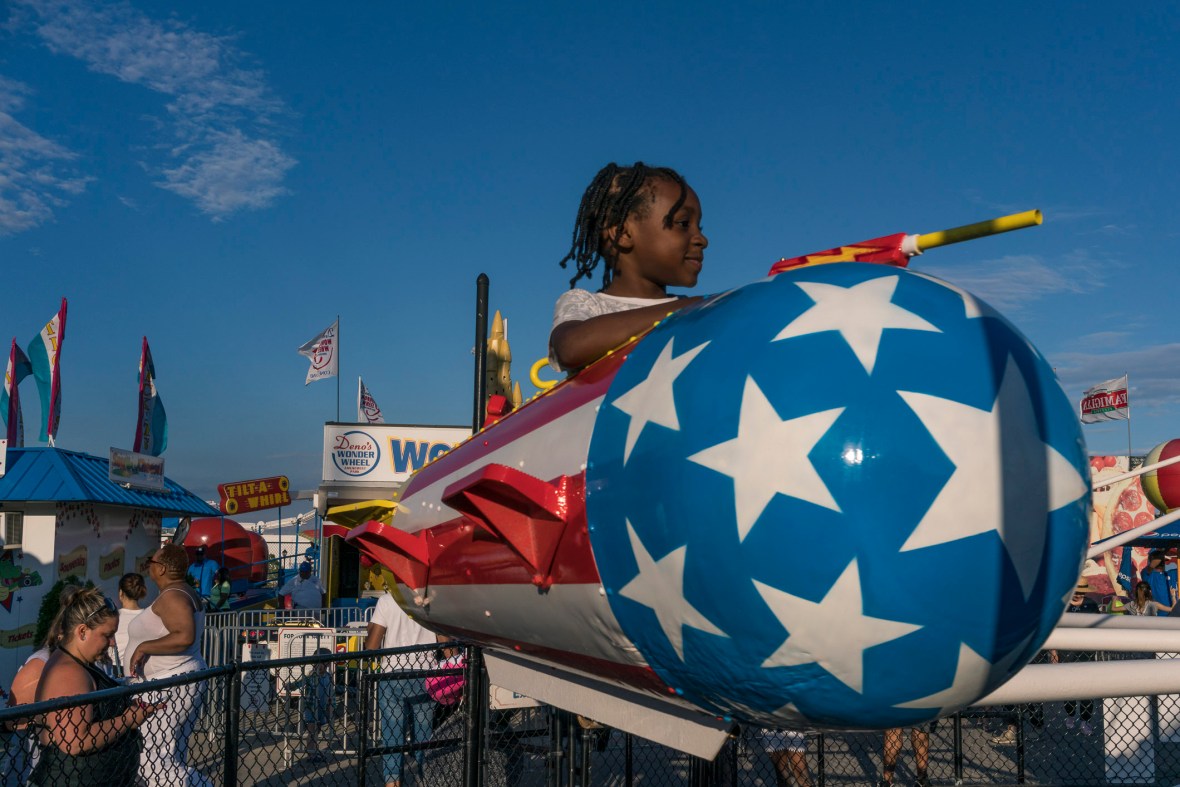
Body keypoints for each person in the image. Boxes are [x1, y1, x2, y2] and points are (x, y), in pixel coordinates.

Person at [549, 162, 707, 373]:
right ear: (623, 234)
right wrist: (686, 308)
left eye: (700, 227)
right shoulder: (588, 305)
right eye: (683, 223)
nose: (702, 239)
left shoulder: (699, 311)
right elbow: (569, 348)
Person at [27, 587, 163, 786]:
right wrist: (128, 718)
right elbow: (74, 741)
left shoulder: (78, 663)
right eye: (107, 635)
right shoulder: (69, 671)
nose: (112, 643)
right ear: (82, 631)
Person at [126, 543, 213, 786]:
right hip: (172, 683)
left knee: (153, 758)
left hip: (169, 684)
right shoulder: (178, 592)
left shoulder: (174, 596)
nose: (148, 567)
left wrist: (144, 647)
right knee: (167, 754)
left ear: (162, 568)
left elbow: (183, 636)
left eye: (151, 562)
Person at [365, 589, 437, 787]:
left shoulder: (387, 601)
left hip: (393, 673)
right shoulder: (430, 599)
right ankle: (426, 779)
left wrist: (370, 630)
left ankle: (392, 783)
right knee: (424, 736)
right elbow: (445, 642)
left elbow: (371, 645)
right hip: (425, 674)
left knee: (392, 735)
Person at [285, 648, 338, 762]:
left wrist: (332, 706)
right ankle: (311, 753)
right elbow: (301, 682)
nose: (321, 666)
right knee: (311, 730)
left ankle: (313, 750)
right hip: (311, 708)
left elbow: (331, 693)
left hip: (322, 708)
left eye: (324, 663)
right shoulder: (312, 676)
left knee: (316, 731)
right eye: (317, 663)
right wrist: (291, 686)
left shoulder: (329, 676)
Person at [109, 572, 147, 677]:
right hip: (141, 671)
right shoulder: (148, 616)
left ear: (121, 593)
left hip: (117, 672)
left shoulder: (112, 617)